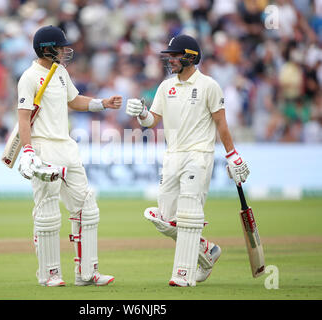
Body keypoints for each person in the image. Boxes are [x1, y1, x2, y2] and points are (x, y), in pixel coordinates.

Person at [126, 35, 250, 287]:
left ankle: (182, 275)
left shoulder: (209, 85)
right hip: (172, 156)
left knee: (188, 215)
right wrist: (141, 113)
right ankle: (207, 251)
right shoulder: (165, 86)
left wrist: (232, 154)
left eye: (175, 55)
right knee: (164, 218)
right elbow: (152, 121)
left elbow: (221, 124)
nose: (170, 60)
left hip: (199, 155)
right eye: (169, 56)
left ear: (190, 57)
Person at [17, 25, 121, 287]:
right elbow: (23, 117)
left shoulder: (60, 71)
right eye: (60, 47)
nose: (64, 51)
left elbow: (74, 100)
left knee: (87, 207)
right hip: (43, 147)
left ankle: (87, 273)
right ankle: (49, 274)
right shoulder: (29, 77)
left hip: (67, 146)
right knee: (48, 212)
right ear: (46, 49)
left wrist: (102, 103)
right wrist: (28, 150)